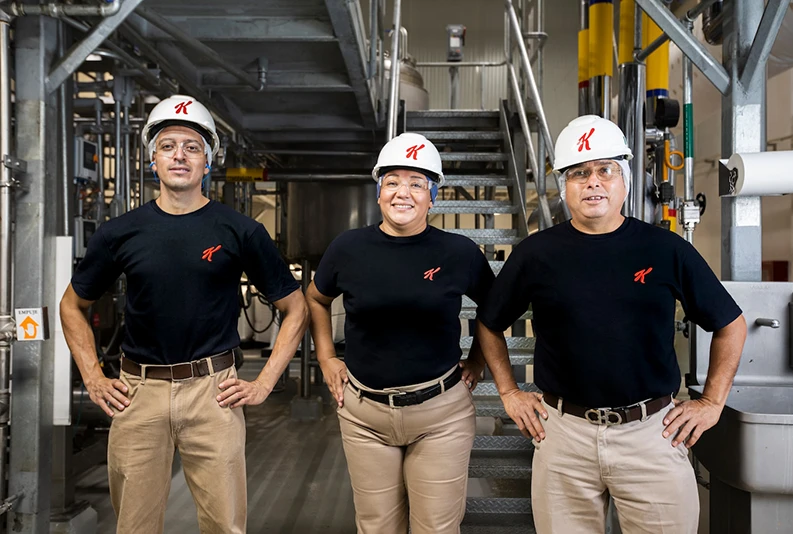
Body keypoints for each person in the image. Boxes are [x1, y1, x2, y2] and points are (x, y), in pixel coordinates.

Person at [477, 115, 747, 533]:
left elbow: (730, 323)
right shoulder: (536, 254)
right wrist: (510, 393)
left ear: (624, 180)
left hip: (652, 437)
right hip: (563, 436)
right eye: (579, 173)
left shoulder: (665, 248)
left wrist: (711, 403)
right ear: (564, 185)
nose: (593, 182)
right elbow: (489, 323)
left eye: (606, 170)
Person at [59, 94, 309, 534]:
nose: (179, 155)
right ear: (152, 160)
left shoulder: (241, 231)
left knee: (225, 527)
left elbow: (296, 307)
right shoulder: (120, 233)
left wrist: (265, 382)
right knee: (135, 527)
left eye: (192, 146)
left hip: (214, 392)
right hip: (139, 393)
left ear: (207, 162)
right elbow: (71, 305)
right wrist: (94, 377)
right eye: (168, 145)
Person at [306, 132, 501, 534]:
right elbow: (315, 299)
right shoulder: (348, 248)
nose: (403, 193)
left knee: (436, 528)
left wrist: (479, 361)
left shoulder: (459, 253)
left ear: (433, 196)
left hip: (440, 415)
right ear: (379, 192)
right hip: (365, 414)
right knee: (376, 526)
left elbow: (494, 310)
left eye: (417, 183)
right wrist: (326, 356)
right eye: (392, 181)